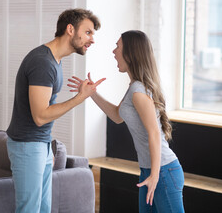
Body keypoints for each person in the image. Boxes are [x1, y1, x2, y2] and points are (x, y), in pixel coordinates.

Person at [68, 30, 185, 213]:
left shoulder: (138, 90)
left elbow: (154, 132)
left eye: (118, 46)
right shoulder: (134, 87)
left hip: (163, 171)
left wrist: (155, 176)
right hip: (150, 170)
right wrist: (92, 94)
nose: (114, 52)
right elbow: (116, 115)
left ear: (130, 54)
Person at [6, 8, 105, 213]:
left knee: (43, 209)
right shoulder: (43, 62)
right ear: (70, 29)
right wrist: (80, 98)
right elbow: (40, 116)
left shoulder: (54, 61)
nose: (92, 40)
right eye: (88, 32)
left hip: (41, 144)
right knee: (29, 210)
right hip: (27, 145)